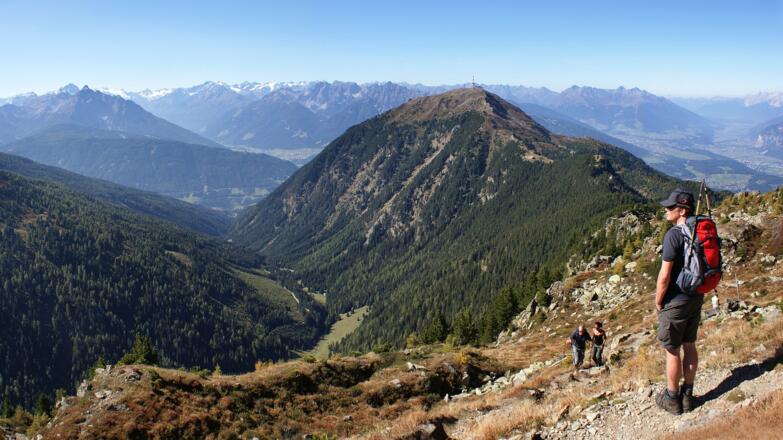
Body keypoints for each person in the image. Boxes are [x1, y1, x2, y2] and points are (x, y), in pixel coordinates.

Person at [655, 189, 703, 415]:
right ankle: (688, 395)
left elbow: (665, 275)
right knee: (690, 345)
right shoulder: (700, 230)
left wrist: (658, 300)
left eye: (671, 207)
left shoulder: (674, 235)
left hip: (676, 300)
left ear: (682, 210)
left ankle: (672, 398)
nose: (666, 210)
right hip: (696, 296)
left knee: (672, 350)